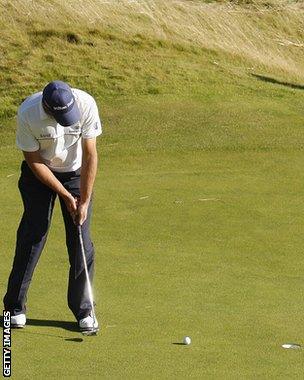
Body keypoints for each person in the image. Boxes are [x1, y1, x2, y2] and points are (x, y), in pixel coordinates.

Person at [3, 80, 102, 332]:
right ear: (47, 107)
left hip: (75, 173)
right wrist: (65, 196)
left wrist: (84, 200)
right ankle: (14, 308)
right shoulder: (28, 112)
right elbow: (34, 161)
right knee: (33, 234)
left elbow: (90, 154)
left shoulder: (86, 104)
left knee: (80, 238)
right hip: (40, 173)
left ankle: (84, 311)